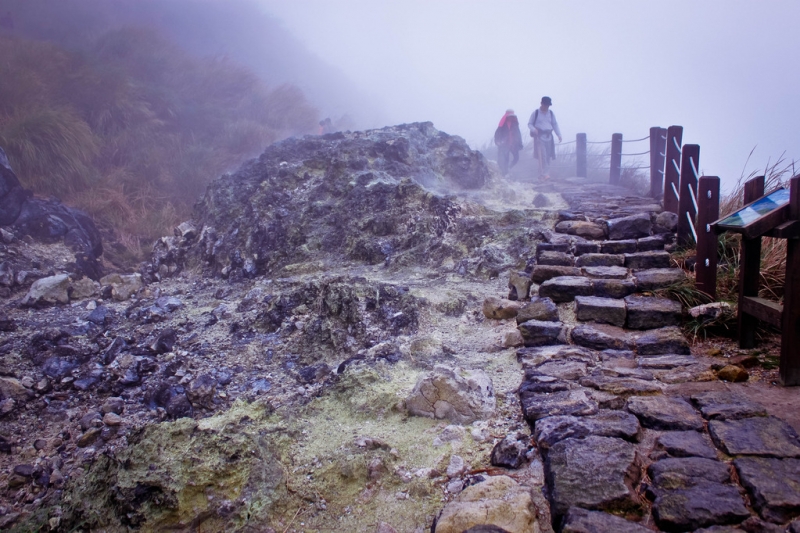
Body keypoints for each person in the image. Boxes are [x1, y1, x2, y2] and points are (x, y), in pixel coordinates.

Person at [527, 96, 562, 180]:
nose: (546, 107)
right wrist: (534, 129)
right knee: (542, 155)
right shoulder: (535, 113)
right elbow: (530, 124)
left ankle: (541, 173)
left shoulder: (551, 113)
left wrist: (559, 134)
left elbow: (554, 124)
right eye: (545, 105)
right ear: (541, 103)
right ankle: (545, 174)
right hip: (539, 136)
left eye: (548, 105)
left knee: (548, 155)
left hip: (549, 136)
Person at [493, 109, 523, 176]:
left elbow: (518, 133)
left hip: (513, 144)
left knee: (516, 158)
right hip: (504, 144)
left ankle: (509, 168)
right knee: (505, 159)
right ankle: (504, 172)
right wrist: (498, 142)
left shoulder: (515, 124)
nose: (511, 117)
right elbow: (497, 134)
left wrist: (520, 143)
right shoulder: (502, 124)